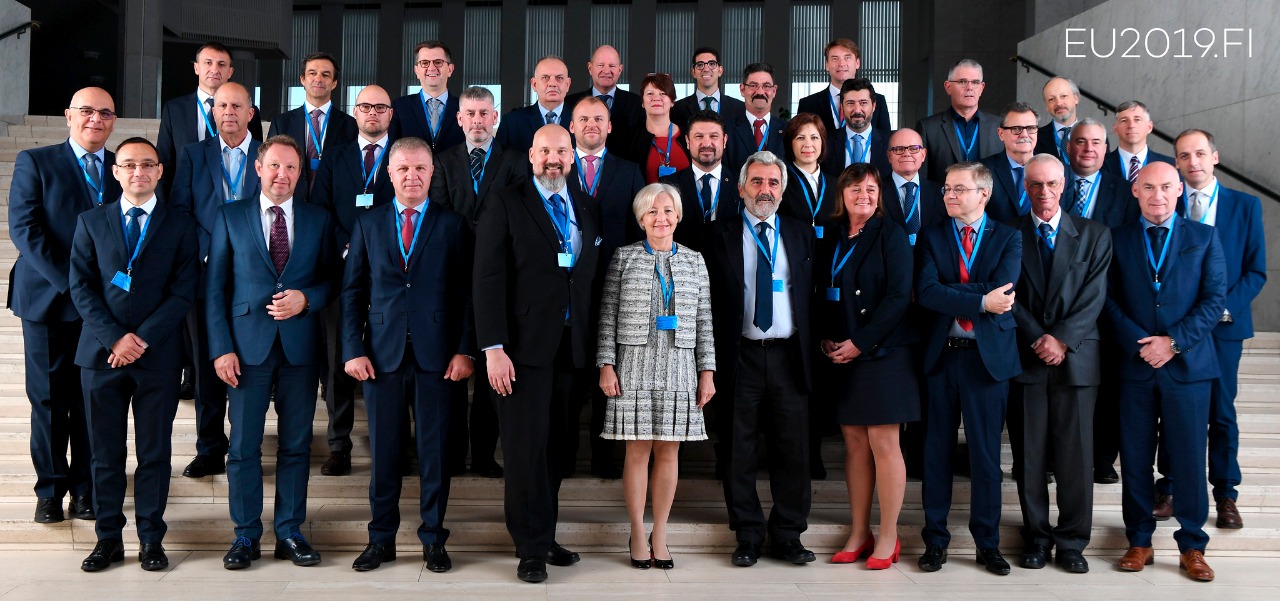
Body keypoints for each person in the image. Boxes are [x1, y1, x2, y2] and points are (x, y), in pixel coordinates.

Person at [342, 137, 475, 573]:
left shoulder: (453, 225)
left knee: (435, 454)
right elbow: (352, 293)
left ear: (432, 173)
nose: (412, 176)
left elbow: (467, 294)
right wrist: (353, 349)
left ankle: (433, 539)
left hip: (439, 359)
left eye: (420, 168)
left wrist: (465, 350)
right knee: (384, 454)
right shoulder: (367, 223)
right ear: (389, 173)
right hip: (381, 358)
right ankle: (380, 540)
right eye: (403, 169)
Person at [205, 135, 338, 570]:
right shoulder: (230, 215)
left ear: (301, 174)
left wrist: (308, 298)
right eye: (275, 166)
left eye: (292, 168)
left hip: (300, 350)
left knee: (296, 445)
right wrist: (221, 349)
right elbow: (215, 290)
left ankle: (289, 532)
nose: (283, 175)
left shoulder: (318, 218)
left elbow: (333, 280)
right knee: (244, 447)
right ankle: (245, 536)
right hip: (245, 351)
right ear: (258, 168)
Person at [473, 124, 599, 583]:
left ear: (572, 156)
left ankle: (544, 535)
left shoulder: (585, 205)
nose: (553, 158)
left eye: (561, 151)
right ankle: (529, 548)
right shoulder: (505, 201)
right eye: (545, 150)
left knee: (558, 451)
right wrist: (493, 348)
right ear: (531, 155)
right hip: (521, 352)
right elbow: (487, 278)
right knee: (525, 452)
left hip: (572, 348)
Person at [68, 137, 199, 572]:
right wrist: (115, 339)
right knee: (104, 454)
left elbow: (183, 291)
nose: (138, 172)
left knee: (154, 453)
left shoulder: (180, 224)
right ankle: (107, 539)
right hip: (101, 357)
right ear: (115, 172)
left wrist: (139, 339)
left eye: (147, 164)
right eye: (128, 165)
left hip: (158, 357)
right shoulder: (91, 221)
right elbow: (81, 288)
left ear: (160, 171)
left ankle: (150, 539)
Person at [1104, 162, 1226, 582]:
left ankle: (1193, 546)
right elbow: (1106, 299)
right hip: (1134, 365)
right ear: (1135, 191)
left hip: (1188, 367)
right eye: (1149, 187)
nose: (1157, 195)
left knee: (1189, 459)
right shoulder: (1116, 238)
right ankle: (1139, 540)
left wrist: (1172, 343)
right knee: (1135, 459)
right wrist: (1141, 343)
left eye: (1166, 187)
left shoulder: (1204, 237)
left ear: (1179, 191)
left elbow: (1214, 300)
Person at [9, 86, 123, 524]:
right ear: (68, 115)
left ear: (113, 121)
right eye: (87, 111)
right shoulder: (36, 162)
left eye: (105, 113)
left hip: (103, 309)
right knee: (49, 400)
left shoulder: (122, 167)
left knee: (92, 401)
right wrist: (74, 286)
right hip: (48, 301)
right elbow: (25, 229)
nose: (96, 119)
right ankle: (50, 491)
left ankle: (86, 490)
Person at [702, 151, 817, 568]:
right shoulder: (716, 235)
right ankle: (748, 534)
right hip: (740, 355)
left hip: (790, 355)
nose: (764, 190)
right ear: (740, 188)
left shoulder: (803, 234)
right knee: (738, 448)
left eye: (772, 182)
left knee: (794, 449)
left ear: (782, 191)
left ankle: (788, 534)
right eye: (757, 181)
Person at [596, 183, 716, 569]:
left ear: (678, 216)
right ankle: (636, 531)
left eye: (667, 211)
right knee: (637, 451)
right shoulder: (624, 257)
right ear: (640, 219)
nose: (660, 218)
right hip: (632, 365)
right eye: (652, 211)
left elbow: (705, 321)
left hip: (681, 367)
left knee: (669, 451)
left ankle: (659, 533)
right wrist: (606, 364)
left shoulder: (695, 260)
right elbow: (607, 314)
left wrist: (707, 372)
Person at [1007, 153, 1113, 574]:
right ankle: (1036, 537)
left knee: (1075, 457)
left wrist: (1062, 339)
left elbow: (1095, 296)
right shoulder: (1009, 233)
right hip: (1027, 357)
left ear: (1064, 185)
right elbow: (1007, 293)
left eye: (1051, 184)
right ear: (1025, 187)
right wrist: (1039, 337)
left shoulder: (1094, 234)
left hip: (1077, 359)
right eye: (1035, 184)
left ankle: (1072, 542)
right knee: (1029, 457)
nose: (1044, 192)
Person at [915, 162, 1021, 576]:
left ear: (983, 194)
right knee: (935, 454)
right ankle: (935, 541)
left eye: (959, 189)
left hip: (986, 360)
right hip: (941, 357)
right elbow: (926, 292)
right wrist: (980, 300)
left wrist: (951, 292)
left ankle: (987, 544)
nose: (949, 195)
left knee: (986, 457)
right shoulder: (931, 235)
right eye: (946, 188)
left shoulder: (1009, 236)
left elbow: (1004, 290)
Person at [1158, 129, 1267, 529]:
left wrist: (1218, 311)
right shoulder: (1166, 202)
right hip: (1176, 329)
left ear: (1214, 157)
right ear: (1176, 163)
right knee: (1174, 411)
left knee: (1221, 413)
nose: (1193, 162)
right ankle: (1170, 488)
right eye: (1184, 156)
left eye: (1200, 154)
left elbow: (1255, 272)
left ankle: (1225, 494)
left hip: (1223, 329)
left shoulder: (1245, 205)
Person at [815, 164, 918, 569]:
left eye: (871, 189)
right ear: (842, 194)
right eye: (855, 189)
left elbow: (899, 297)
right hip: (842, 353)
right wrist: (826, 336)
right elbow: (822, 292)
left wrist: (861, 342)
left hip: (883, 353)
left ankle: (889, 535)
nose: (864, 196)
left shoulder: (892, 234)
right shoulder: (831, 235)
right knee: (855, 444)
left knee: (883, 443)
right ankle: (860, 531)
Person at [428, 86, 525, 478]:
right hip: (451, 276)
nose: (477, 121)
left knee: (489, 371)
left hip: (500, 277)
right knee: (452, 367)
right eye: (470, 113)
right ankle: (453, 455)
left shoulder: (515, 161)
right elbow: (438, 215)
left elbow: (517, 214)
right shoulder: (441, 162)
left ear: (495, 117)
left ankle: (484, 455)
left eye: (484, 113)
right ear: (459, 118)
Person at [169, 82, 263, 480]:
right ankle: (209, 447)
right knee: (207, 366)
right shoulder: (193, 154)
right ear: (213, 111)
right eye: (222, 105)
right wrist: (211, 250)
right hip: (206, 272)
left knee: (253, 362)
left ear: (250, 113)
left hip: (258, 274)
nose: (228, 112)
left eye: (237, 106)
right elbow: (180, 210)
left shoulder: (268, 154)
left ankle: (246, 445)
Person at [309, 84, 398, 476]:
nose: (372, 113)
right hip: (341, 267)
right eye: (365, 107)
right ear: (355, 112)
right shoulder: (335, 155)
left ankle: (393, 444)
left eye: (380, 107)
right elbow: (321, 209)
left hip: (392, 271)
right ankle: (338, 445)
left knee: (392, 356)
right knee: (337, 359)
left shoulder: (402, 156)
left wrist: (377, 251)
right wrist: (348, 246)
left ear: (390, 114)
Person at [565, 95, 646, 479]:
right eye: (583, 119)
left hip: (615, 289)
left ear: (610, 126)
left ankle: (604, 459)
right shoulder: (557, 168)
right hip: (566, 291)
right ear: (571, 126)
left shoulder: (629, 172)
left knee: (611, 378)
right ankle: (563, 459)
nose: (591, 125)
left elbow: (638, 230)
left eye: (599, 118)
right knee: (569, 379)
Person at [156, 41, 265, 196]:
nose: (214, 69)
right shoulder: (175, 110)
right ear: (196, 68)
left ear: (230, 72)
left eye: (221, 64)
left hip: (235, 196)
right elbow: (164, 162)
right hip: (188, 197)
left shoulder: (246, 111)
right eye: (208, 63)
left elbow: (257, 158)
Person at [267, 52, 358, 197]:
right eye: (312, 73)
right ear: (303, 79)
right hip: (292, 200)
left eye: (325, 75)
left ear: (334, 83)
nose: (318, 79)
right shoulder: (281, 123)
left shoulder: (351, 125)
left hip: (333, 202)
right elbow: (270, 163)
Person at [661, 110, 741, 251]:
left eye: (714, 136)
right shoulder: (668, 185)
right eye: (699, 136)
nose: (706, 143)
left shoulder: (741, 184)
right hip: (683, 261)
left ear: (724, 141)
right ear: (687, 141)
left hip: (729, 261)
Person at [916, 60, 1001, 184]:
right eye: (962, 81)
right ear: (948, 87)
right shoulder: (928, 128)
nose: (969, 87)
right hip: (944, 195)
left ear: (981, 88)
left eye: (975, 82)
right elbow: (922, 178)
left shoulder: (999, 126)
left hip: (988, 196)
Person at [563, 45, 646, 157]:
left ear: (620, 70)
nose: (606, 71)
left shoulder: (638, 104)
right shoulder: (570, 103)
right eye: (600, 65)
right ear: (590, 68)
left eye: (612, 66)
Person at [796, 38, 891, 135]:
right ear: (827, 65)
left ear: (857, 63)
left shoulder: (878, 101)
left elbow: (885, 139)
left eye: (847, 58)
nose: (841, 64)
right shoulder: (807, 104)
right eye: (835, 58)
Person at [1061, 118, 1138, 228]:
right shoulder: (1050, 182)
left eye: (1096, 142)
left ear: (1105, 149)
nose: (1089, 149)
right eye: (1081, 142)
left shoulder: (1125, 192)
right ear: (1068, 147)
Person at [390, 40, 464, 152]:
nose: (432, 68)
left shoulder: (464, 108)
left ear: (450, 69)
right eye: (425, 63)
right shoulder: (399, 108)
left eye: (438, 62)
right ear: (417, 71)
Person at [495, 56, 573, 155]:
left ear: (567, 84)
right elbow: (499, 161)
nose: (552, 83)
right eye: (545, 78)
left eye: (559, 78)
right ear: (534, 84)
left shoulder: (582, 121)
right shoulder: (511, 123)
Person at [881, 128, 946, 246]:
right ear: (889, 156)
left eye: (913, 149)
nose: (906, 154)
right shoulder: (875, 192)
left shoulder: (941, 193)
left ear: (923, 154)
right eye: (898, 149)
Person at [779, 113, 838, 237]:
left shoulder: (836, 185)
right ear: (790, 143)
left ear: (822, 142)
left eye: (814, 137)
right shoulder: (779, 183)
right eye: (800, 138)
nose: (808, 144)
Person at [979, 102, 1040, 222]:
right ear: (1001, 134)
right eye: (1016, 129)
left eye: (1031, 128)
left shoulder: (1056, 170)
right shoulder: (981, 171)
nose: (1024, 135)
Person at [724, 63, 788, 175]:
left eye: (766, 86)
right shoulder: (726, 129)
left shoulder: (787, 131)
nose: (760, 92)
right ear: (742, 89)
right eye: (753, 85)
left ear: (774, 91)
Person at [624, 73, 690, 182]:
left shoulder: (689, 136)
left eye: (663, 93)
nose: (656, 98)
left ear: (672, 101)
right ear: (642, 102)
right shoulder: (630, 138)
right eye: (650, 93)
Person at [826, 78, 891, 179]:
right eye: (850, 103)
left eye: (863, 103)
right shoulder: (826, 142)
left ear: (874, 106)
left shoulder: (891, 143)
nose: (857, 110)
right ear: (842, 107)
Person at [671, 47, 746, 129]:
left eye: (712, 64)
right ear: (693, 72)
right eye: (700, 65)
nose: (706, 69)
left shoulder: (740, 108)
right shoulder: (677, 109)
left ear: (720, 70)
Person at [1102, 101, 1174, 183]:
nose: (1131, 125)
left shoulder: (1170, 165)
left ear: (1149, 127)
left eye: (1137, 120)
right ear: (1115, 129)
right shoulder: (1099, 165)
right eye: (1124, 120)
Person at [1033, 77, 1079, 164]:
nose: (1058, 103)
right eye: (1051, 99)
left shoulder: (1096, 135)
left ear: (1076, 98)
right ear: (1046, 106)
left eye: (1063, 96)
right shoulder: (1035, 138)